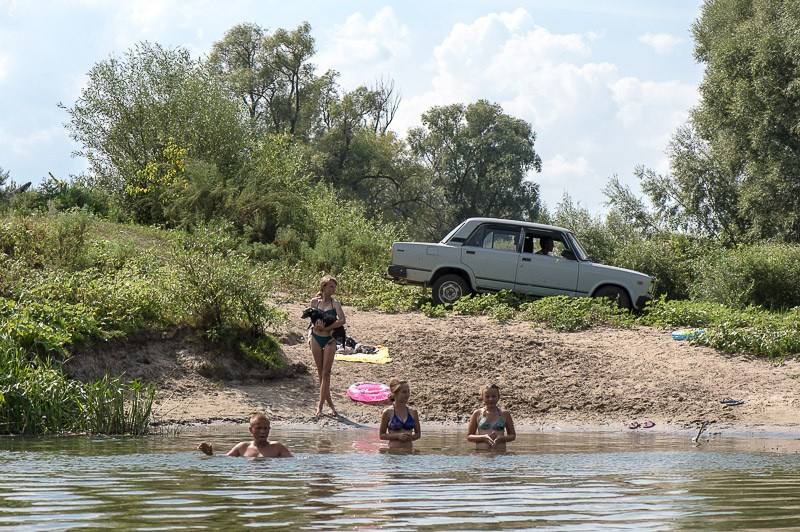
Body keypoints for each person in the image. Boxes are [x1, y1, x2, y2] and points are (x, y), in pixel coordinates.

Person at [308, 275, 346, 418]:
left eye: (334, 286)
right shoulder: (315, 302)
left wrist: (326, 328)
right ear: (323, 287)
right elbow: (311, 319)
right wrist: (316, 327)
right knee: (320, 373)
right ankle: (330, 406)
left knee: (326, 373)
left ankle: (319, 406)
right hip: (315, 338)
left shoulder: (335, 304)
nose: (333, 289)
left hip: (329, 339)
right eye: (331, 286)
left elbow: (342, 320)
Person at [197, 413, 292, 457]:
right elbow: (225, 459)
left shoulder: (278, 447)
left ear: (269, 429)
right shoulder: (242, 447)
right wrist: (210, 454)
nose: (262, 432)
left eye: (265, 428)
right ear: (251, 430)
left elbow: (294, 461)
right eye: (258, 428)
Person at [467, 383, 516, 451]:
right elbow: (469, 436)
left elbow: (512, 435)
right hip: (481, 456)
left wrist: (501, 438)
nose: (490, 399)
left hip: (501, 456)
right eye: (487, 396)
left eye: (493, 396)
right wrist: (483, 437)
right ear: (482, 398)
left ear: (498, 397)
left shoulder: (505, 414)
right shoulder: (477, 413)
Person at [379, 377, 421, 449]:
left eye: (408, 391)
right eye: (404, 392)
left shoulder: (413, 412)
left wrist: (411, 438)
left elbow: (418, 434)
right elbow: (382, 435)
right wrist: (397, 436)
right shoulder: (387, 412)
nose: (407, 394)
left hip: (409, 454)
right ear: (395, 394)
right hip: (393, 454)